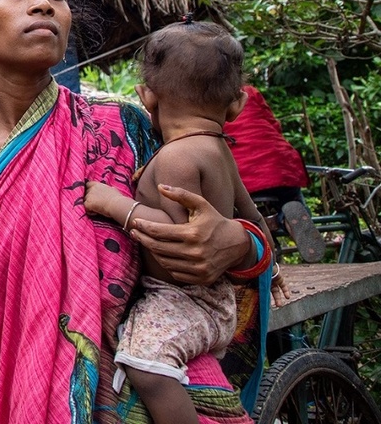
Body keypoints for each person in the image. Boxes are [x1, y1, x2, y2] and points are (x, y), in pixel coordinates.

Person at [0, 0, 272, 424]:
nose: (43, 5)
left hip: (145, 384)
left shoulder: (124, 127)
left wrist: (239, 246)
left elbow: (248, 240)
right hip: (0, 397)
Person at [83, 21, 287, 424]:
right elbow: (252, 219)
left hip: (185, 301)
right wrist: (273, 268)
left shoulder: (176, 157)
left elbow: (178, 237)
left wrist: (115, 204)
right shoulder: (219, 151)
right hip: (212, 301)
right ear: (237, 105)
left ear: (146, 97)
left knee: (144, 363)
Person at [224, 85, 323, 263]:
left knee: (238, 212)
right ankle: (284, 218)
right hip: (279, 162)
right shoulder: (248, 91)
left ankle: (259, 236)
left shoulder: (204, 98)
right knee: (291, 199)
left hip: (242, 172)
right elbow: (272, 123)